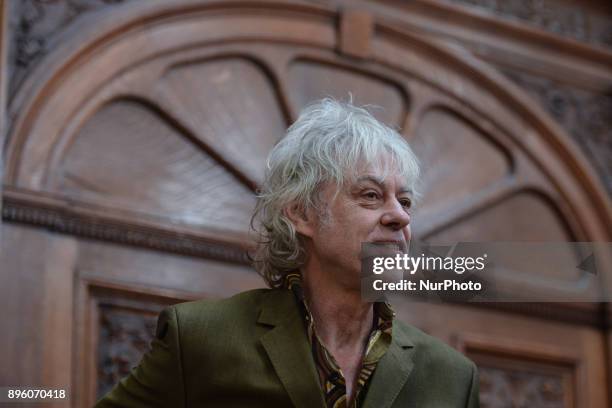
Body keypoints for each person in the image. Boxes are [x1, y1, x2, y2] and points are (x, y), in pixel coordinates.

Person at [95, 99, 479, 408]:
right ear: (301, 212)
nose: (399, 216)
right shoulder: (198, 339)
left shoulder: (452, 377)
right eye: (370, 195)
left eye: (406, 201)